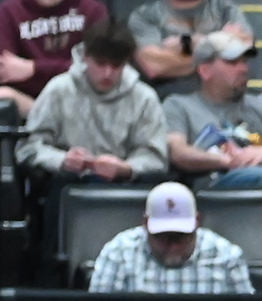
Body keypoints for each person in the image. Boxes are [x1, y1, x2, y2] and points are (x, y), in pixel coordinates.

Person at [18, 21, 165, 189]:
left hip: (125, 185)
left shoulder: (144, 98)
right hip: (68, 183)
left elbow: (156, 158)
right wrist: (62, 160)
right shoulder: (58, 89)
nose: (107, 73)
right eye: (100, 64)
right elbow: (28, 148)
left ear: (126, 63)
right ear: (85, 57)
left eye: (116, 66)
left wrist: (126, 168)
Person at [156, 10, 262, 183]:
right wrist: (228, 160)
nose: (244, 69)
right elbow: (178, 153)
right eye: (232, 62)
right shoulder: (178, 105)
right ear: (205, 70)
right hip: (215, 187)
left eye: (244, 61)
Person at [89, 181, 256, 294]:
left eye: (180, 237)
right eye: (163, 237)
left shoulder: (227, 257)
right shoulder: (118, 254)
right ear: (146, 224)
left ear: (197, 222)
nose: (173, 247)